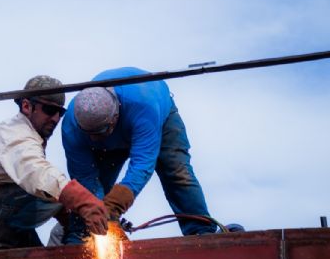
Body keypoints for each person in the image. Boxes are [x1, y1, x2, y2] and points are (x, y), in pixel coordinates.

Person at [0, 75, 109, 250]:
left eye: (59, 113)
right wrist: (84, 202)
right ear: (26, 106)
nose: (55, 118)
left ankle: (6, 246)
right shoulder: (17, 136)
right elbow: (38, 175)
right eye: (48, 110)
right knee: (51, 189)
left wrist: (67, 218)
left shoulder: (25, 135)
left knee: (37, 258)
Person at [60, 66, 216, 244]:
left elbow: (143, 163)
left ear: (115, 116)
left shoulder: (144, 107)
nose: (95, 138)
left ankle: (201, 232)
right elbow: (85, 177)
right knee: (91, 196)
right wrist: (96, 211)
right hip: (113, 133)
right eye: (90, 133)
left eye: (101, 131)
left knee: (176, 172)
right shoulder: (72, 128)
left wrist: (115, 204)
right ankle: (83, 238)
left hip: (158, 116)